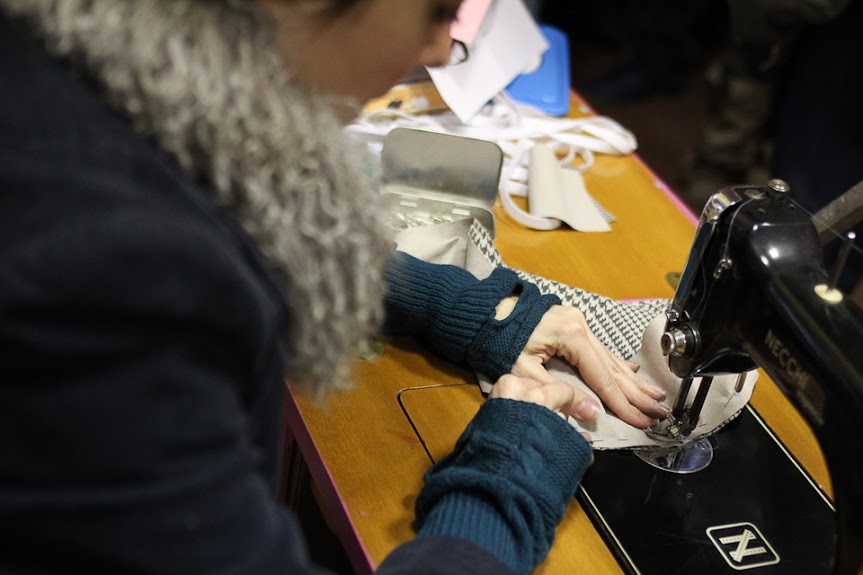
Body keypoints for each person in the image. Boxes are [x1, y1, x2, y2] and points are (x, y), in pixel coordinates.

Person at [0, 1, 669, 574]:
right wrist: (506, 479)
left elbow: (243, 228)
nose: (440, 48)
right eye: (437, 10)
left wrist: (468, 308)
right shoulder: (106, 275)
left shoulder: (81, 71)